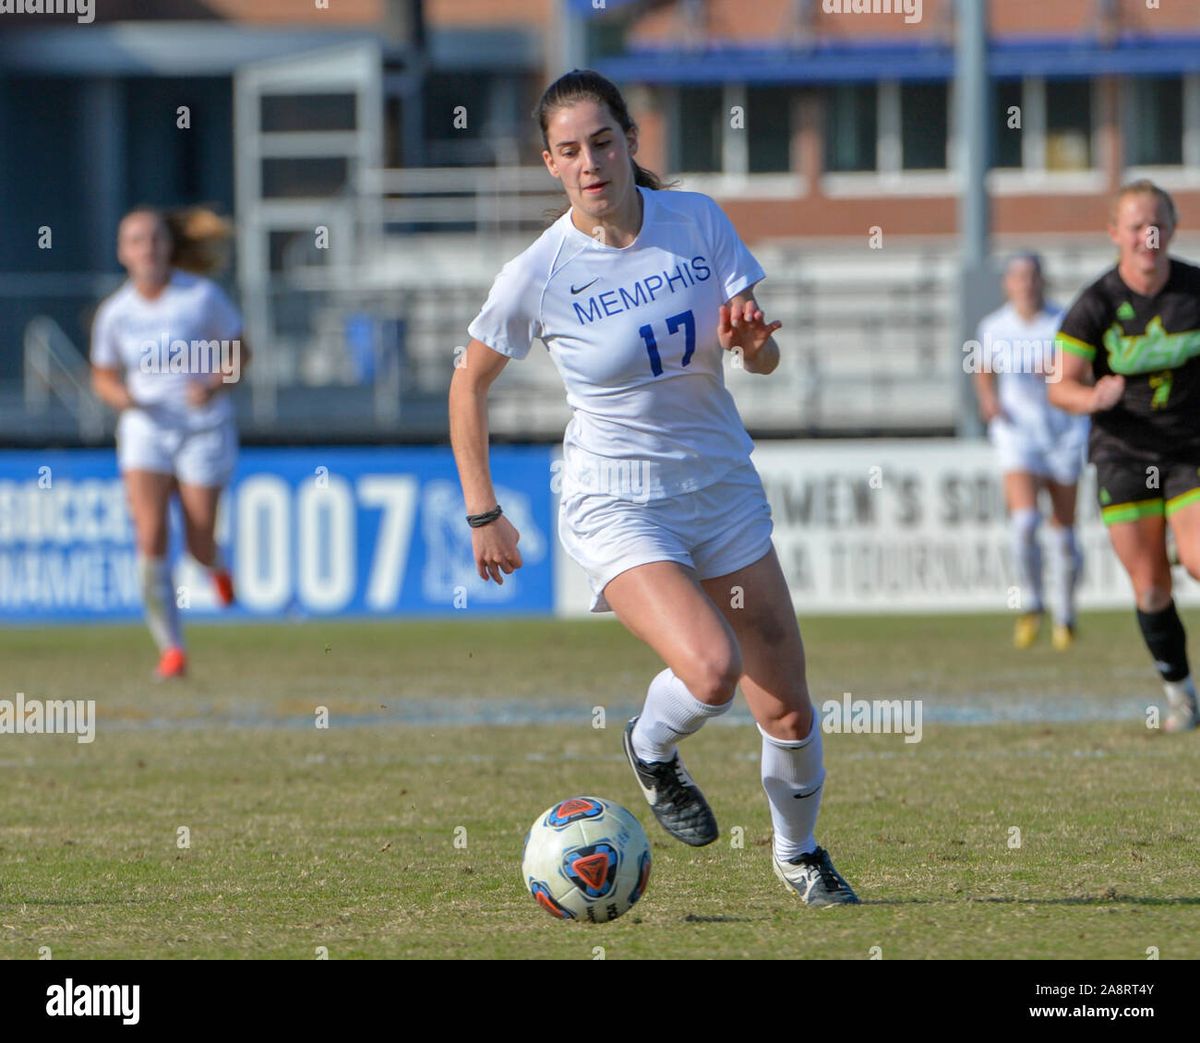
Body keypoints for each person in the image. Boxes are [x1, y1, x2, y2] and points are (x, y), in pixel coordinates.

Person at [449, 69, 859, 905]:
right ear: (550, 165)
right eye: (570, 151)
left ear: (632, 140)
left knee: (787, 706)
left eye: (603, 141)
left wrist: (752, 344)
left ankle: (799, 854)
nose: (591, 162)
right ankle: (650, 742)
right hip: (617, 499)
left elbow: (767, 357)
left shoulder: (697, 221)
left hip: (719, 484)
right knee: (712, 670)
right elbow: (467, 385)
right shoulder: (539, 270)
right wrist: (483, 511)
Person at [1049, 179, 1200, 732]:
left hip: (1190, 450)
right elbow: (1058, 386)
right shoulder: (1096, 303)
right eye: (1136, 225)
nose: (1147, 235)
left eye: (1157, 223)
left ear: (1173, 227)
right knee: (1152, 587)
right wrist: (1094, 396)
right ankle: (1180, 692)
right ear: (1116, 233)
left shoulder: (1194, 289)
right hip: (1123, 455)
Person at [91, 206, 248, 679]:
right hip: (146, 429)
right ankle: (172, 649)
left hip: (201, 427)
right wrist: (124, 398)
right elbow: (102, 374)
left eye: (155, 239)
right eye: (136, 241)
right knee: (150, 536)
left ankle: (216, 566)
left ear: (168, 246)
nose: (147, 249)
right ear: (123, 252)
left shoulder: (200, 297)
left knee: (198, 539)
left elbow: (241, 352)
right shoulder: (116, 312)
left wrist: (215, 384)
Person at [973, 253, 1088, 650]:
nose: (1025, 284)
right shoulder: (994, 326)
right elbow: (982, 369)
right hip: (1017, 433)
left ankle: (1066, 614)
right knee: (1024, 523)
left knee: (1064, 534)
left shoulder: (1061, 322)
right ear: (1008, 283)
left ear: (1043, 281)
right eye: (1018, 277)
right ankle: (1032, 604)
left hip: (1062, 432)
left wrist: (1061, 372)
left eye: (1032, 276)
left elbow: (1085, 369)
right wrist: (989, 401)